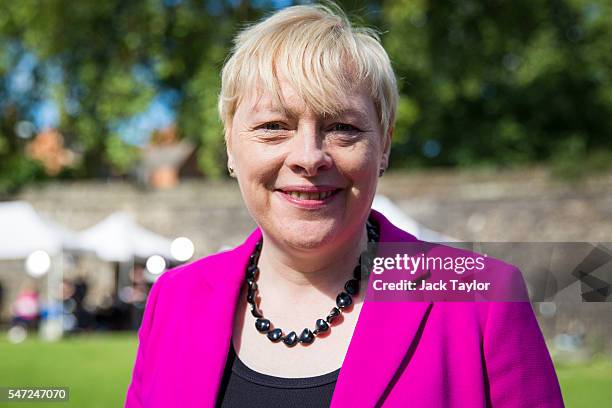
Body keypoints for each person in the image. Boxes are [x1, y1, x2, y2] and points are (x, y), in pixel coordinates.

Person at [125, 3, 564, 407]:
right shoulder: (174, 301)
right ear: (230, 147)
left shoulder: (483, 302)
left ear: (384, 146)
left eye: (342, 126)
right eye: (274, 126)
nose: (309, 156)